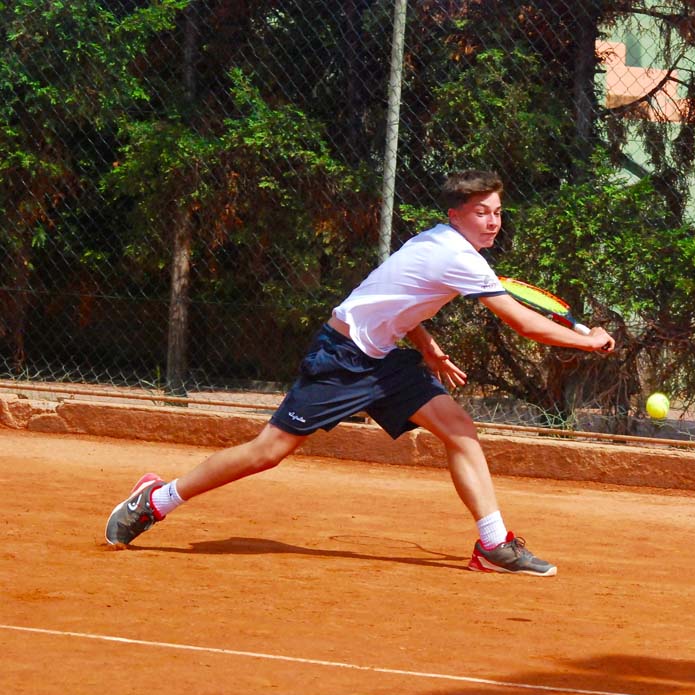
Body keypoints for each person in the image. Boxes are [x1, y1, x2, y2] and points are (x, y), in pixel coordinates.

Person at [104, 170, 614, 576]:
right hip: (341, 359)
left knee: (460, 429)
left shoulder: (436, 242)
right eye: (481, 212)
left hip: (383, 358)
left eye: (498, 211)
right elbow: (525, 324)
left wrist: (426, 345)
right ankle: (157, 499)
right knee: (268, 453)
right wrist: (588, 341)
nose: (492, 221)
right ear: (455, 214)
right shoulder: (457, 256)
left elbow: (393, 296)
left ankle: (493, 544)